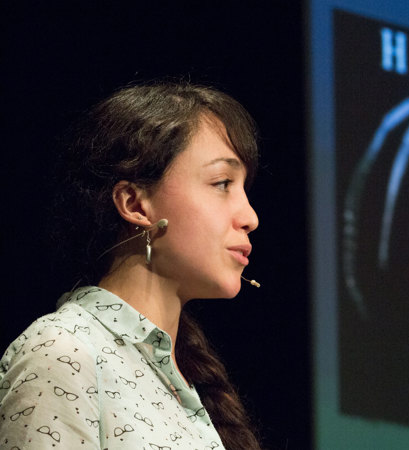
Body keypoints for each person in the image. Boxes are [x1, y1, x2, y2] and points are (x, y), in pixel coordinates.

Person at [0, 81, 263, 449]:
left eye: (244, 189)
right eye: (222, 183)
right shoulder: (64, 352)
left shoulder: (185, 378)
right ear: (136, 204)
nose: (249, 216)